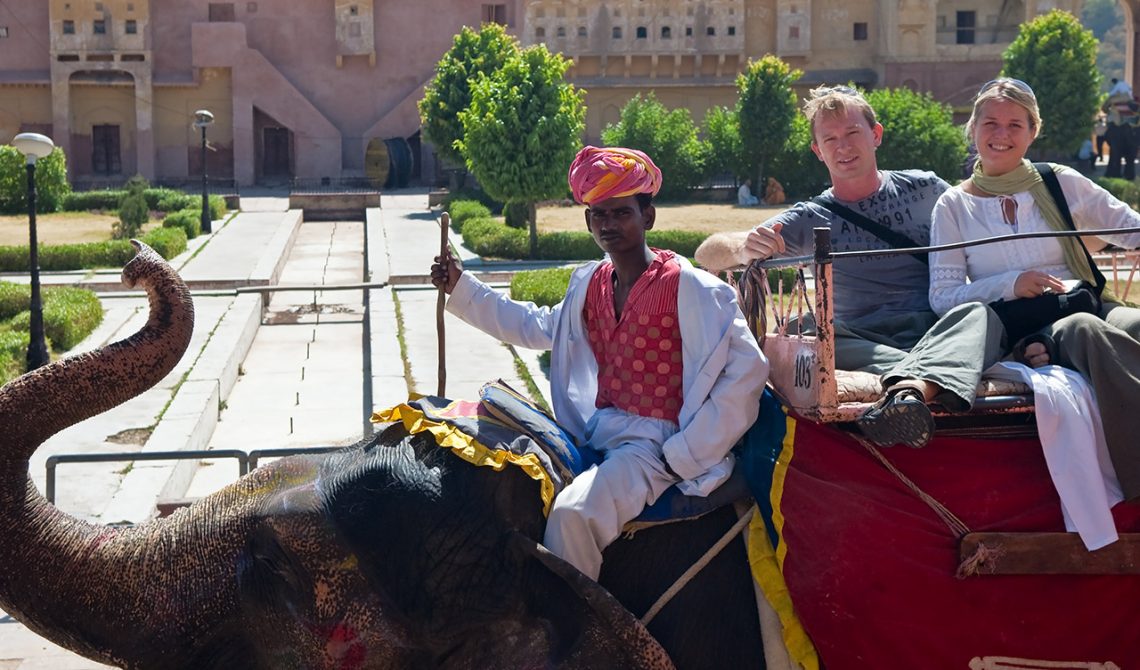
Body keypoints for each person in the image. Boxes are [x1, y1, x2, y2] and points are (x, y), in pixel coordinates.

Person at [431, 145, 768, 580]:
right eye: (599, 215)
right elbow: (536, 326)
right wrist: (462, 287)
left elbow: (748, 371)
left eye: (621, 213)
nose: (609, 224)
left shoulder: (693, 288)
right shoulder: (590, 283)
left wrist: (682, 455)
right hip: (594, 431)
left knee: (572, 515)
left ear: (647, 217)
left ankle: (579, 639)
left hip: (652, 446)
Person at [695, 85, 1006, 449]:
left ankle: (913, 382)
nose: (842, 147)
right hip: (860, 339)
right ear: (818, 151)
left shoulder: (926, 189)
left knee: (981, 315)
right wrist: (744, 246)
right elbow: (706, 253)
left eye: (852, 133)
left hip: (935, 328)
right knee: (804, 330)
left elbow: (984, 238)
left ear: (875, 135)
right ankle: (925, 377)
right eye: (830, 139)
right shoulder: (809, 217)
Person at [929, 77, 1140, 500]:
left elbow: (1129, 228)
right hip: (1028, 327)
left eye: (1014, 125)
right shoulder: (953, 205)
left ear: (1033, 131)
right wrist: (1011, 283)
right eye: (990, 123)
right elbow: (942, 298)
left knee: (1134, 322)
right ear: (972, 129)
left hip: (1084, 299)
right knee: (1085, 329)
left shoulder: (1061, 181)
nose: (1001, 135)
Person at [1103, 79, 1138, 179]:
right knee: (1129, 156)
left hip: (1120, 129)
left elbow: (1104, 108)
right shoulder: (1133, 99)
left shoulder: (1112, 99)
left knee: (1116, 155)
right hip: (1129, 130)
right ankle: (1127, 175)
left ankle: (1115, 174)